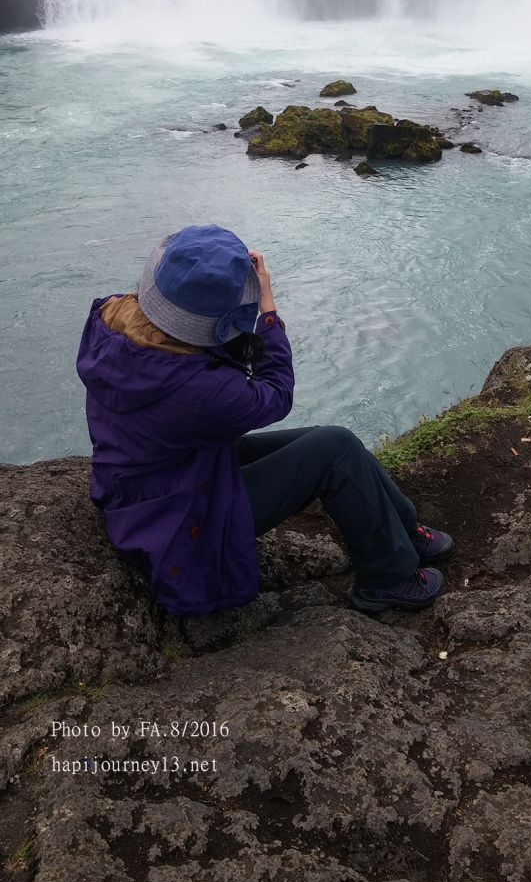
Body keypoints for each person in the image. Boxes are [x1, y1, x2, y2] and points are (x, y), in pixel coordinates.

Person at [77, 224, 454, 618]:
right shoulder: (202, 390)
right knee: (335, 449)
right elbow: (275, 394)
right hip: (176, 518)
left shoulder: (111, 315)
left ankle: (402, 529)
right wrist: (266, 308)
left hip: (154, 474)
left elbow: (199, 355)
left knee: (323, 440)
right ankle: (387, 578)